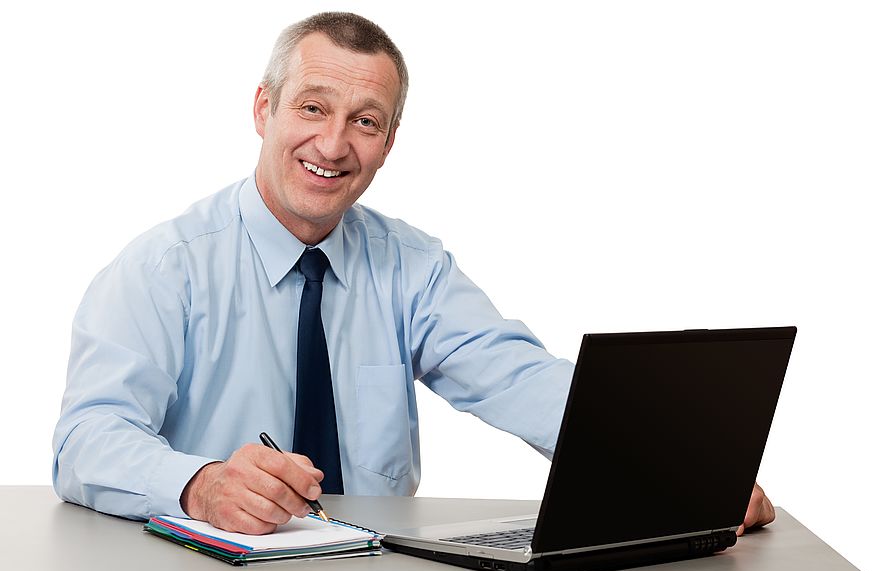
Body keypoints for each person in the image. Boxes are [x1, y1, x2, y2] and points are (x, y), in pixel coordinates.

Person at [52, 12, 775, 536]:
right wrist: (200, 484)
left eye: (365, 121)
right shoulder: (163, 267)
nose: (333, 144)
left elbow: (520, 377)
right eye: (312, 107)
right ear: (263, 108)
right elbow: (86, 438)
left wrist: (672, 462)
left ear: (390, 141)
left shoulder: (412, 268)